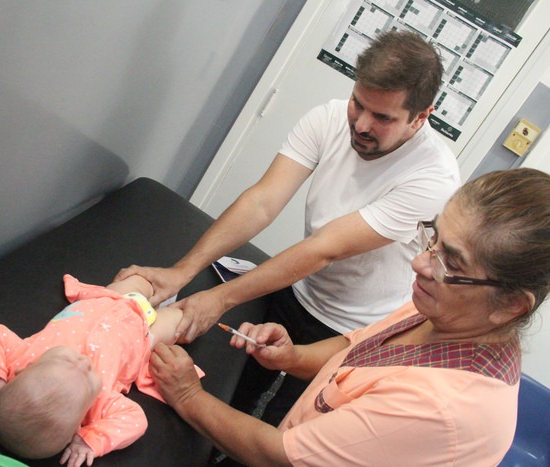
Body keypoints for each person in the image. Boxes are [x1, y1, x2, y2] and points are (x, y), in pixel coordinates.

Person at [116, 30, 461, 424]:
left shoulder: (433, 178)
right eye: (358, 103)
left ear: (421, 117)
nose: (362, 124)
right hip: (299, 291)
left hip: (352, 329)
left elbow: (325, 249)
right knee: (234, 396)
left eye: (382, 117)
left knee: (283, 425)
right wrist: (182, 271)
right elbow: (262, 202)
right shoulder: (329, 118)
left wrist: (219, 300)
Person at [149, 168, 550, 466]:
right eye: (433, 239)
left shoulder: (440, 408)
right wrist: (292, 357)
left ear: (511, 304)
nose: (420, 263)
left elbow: (278, 455)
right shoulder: (449, 310)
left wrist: (188, 395)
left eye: (451, 262)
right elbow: (356, 349)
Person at [0, 273, 194, 467]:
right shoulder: (98, 404)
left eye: (66, 361)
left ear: (23, 371)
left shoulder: (20, 358)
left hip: (107, 298)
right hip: (143, 336)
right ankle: (188, 306)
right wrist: (90, 441)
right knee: (183, 319)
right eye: (89, 379)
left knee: (143, 280)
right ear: (79, 423)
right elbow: (136, 421)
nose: (83, 363)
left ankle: (169, 279)